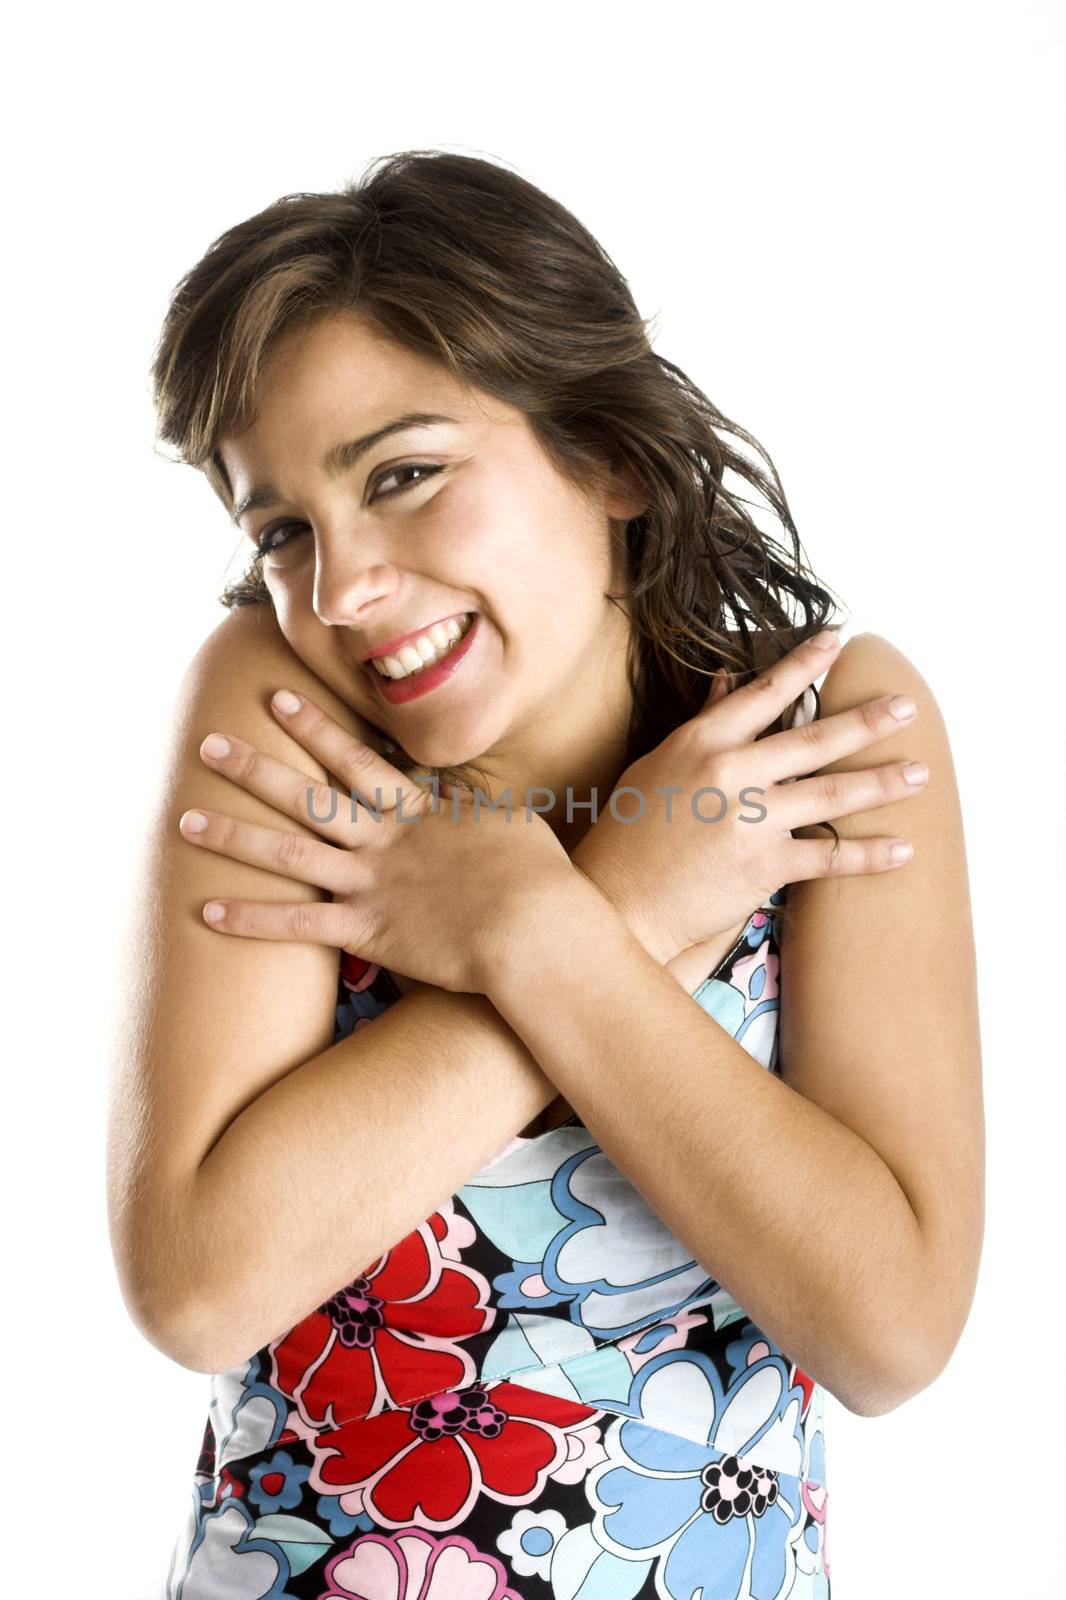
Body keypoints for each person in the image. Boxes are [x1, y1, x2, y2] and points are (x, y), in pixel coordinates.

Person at [107, 151, 983, 1599]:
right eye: (282, 532)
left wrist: (538, 936)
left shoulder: (820, 734)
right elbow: (204, 1285)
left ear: (612, 454)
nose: (341, 589)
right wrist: (625, 908)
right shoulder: (281, 712)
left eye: (404, 476)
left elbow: (886, 1331)